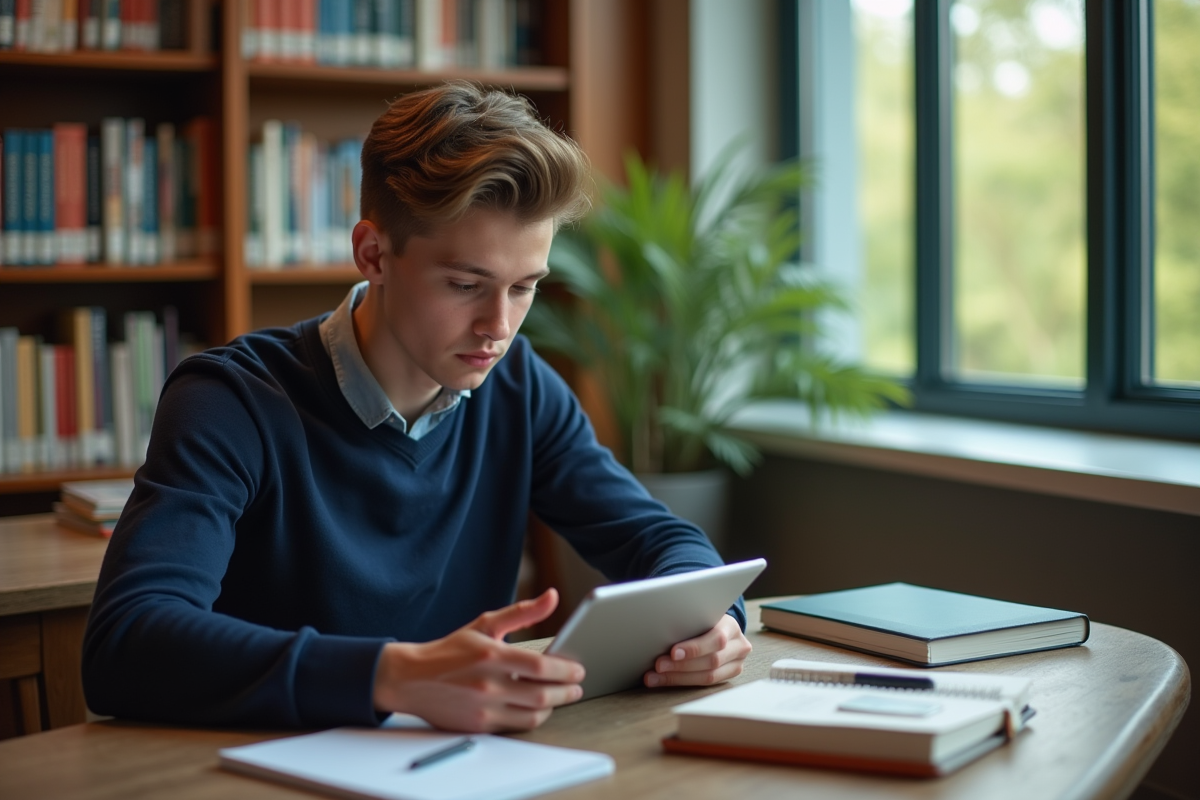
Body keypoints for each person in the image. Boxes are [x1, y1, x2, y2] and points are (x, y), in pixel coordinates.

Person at [82, 81, 751, 733]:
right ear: (373, 253)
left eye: (525, 287)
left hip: (456, 767)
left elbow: (659, 541)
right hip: (253, 767)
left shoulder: (517, 386)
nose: (499, 325)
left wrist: (717, 623)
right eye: (466, 284)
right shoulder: (231, 401)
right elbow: (128, 640)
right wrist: (393, 676)